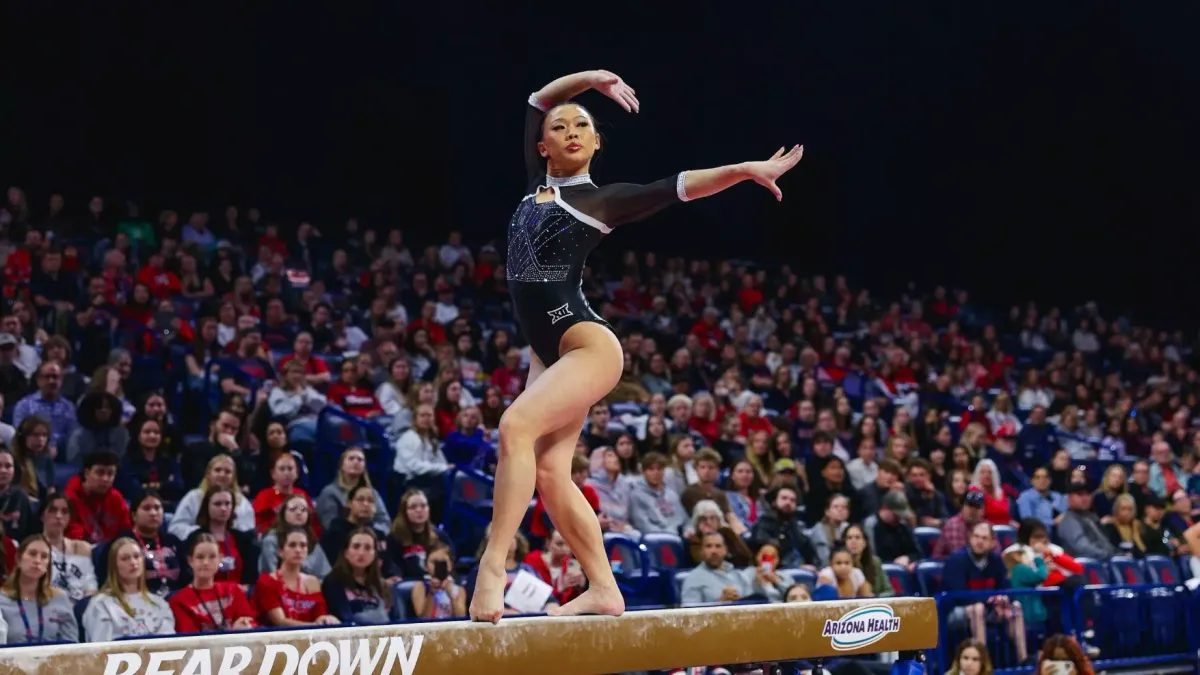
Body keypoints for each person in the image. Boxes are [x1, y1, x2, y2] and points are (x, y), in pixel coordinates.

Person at [471, 68, 803, 623]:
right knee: (551, 472)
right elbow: (537, 98)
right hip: (546, 351)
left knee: (514, 428)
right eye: (560, 126)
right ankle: (604, 587)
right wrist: (594, 80)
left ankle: (492, 569)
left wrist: (745, 170)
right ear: (542, 146)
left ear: (598, 143)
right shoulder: (538, 185)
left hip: (586, 346)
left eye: (583, 125)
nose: (572, 129)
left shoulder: (603, 202)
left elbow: (677, 186)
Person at [81, 537, 175, 642]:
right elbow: (101, 651)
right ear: (114, 565)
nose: (133, 562)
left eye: (137, 556)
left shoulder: (159, 604)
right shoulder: (101, 605)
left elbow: (168, 647)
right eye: (125, 558)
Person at [252, 526, 339, 627]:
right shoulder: (267, 581)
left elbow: (319, 616)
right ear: (281, 551)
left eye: (303, 545)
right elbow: (280, 621)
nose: (298, 550)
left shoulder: (313, 582)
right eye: (292, 545)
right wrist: (314, 626)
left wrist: (327, 620)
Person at [169, 533, 257, 633]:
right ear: (190, 561)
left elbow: (251, 622)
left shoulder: (234, 590)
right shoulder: (179, 601)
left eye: (212, 557)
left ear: (220, 559)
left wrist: (246, 625)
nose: (206, 562)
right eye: (200, 557)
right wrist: (233, 631)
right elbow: (190, 639)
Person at [0, 535, 79, 644]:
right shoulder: (2, 600)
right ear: (18, 559)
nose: (38, 561)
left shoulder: (60, 598)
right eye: (32, 554)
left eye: (44, 556)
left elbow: (72, 645)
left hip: (53, 660)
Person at [679, 532, 786, 605]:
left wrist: (759, 583)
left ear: (725, 550)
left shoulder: (737, 574)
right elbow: (689, 616)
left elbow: (753, 600)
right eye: (708, 546)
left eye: (718, 546)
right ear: (702, 551)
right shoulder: (694, 578)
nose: (714, 551)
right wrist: (720, 603)